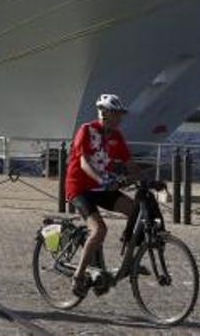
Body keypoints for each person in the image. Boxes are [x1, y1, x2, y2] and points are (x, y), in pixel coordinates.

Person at [64, 93, 144, 298]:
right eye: (117, 114)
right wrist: (103, 180)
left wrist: (149, 180)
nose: (120, 118)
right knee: (99, 230)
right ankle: (78, 277)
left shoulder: (116, 137)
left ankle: (128, 261)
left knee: (136, 210)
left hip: (102, 189)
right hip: (80, 189)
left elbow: (130, 164)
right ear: (105, 114)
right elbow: (85, 163)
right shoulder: (87, 130)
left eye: (120, 114)